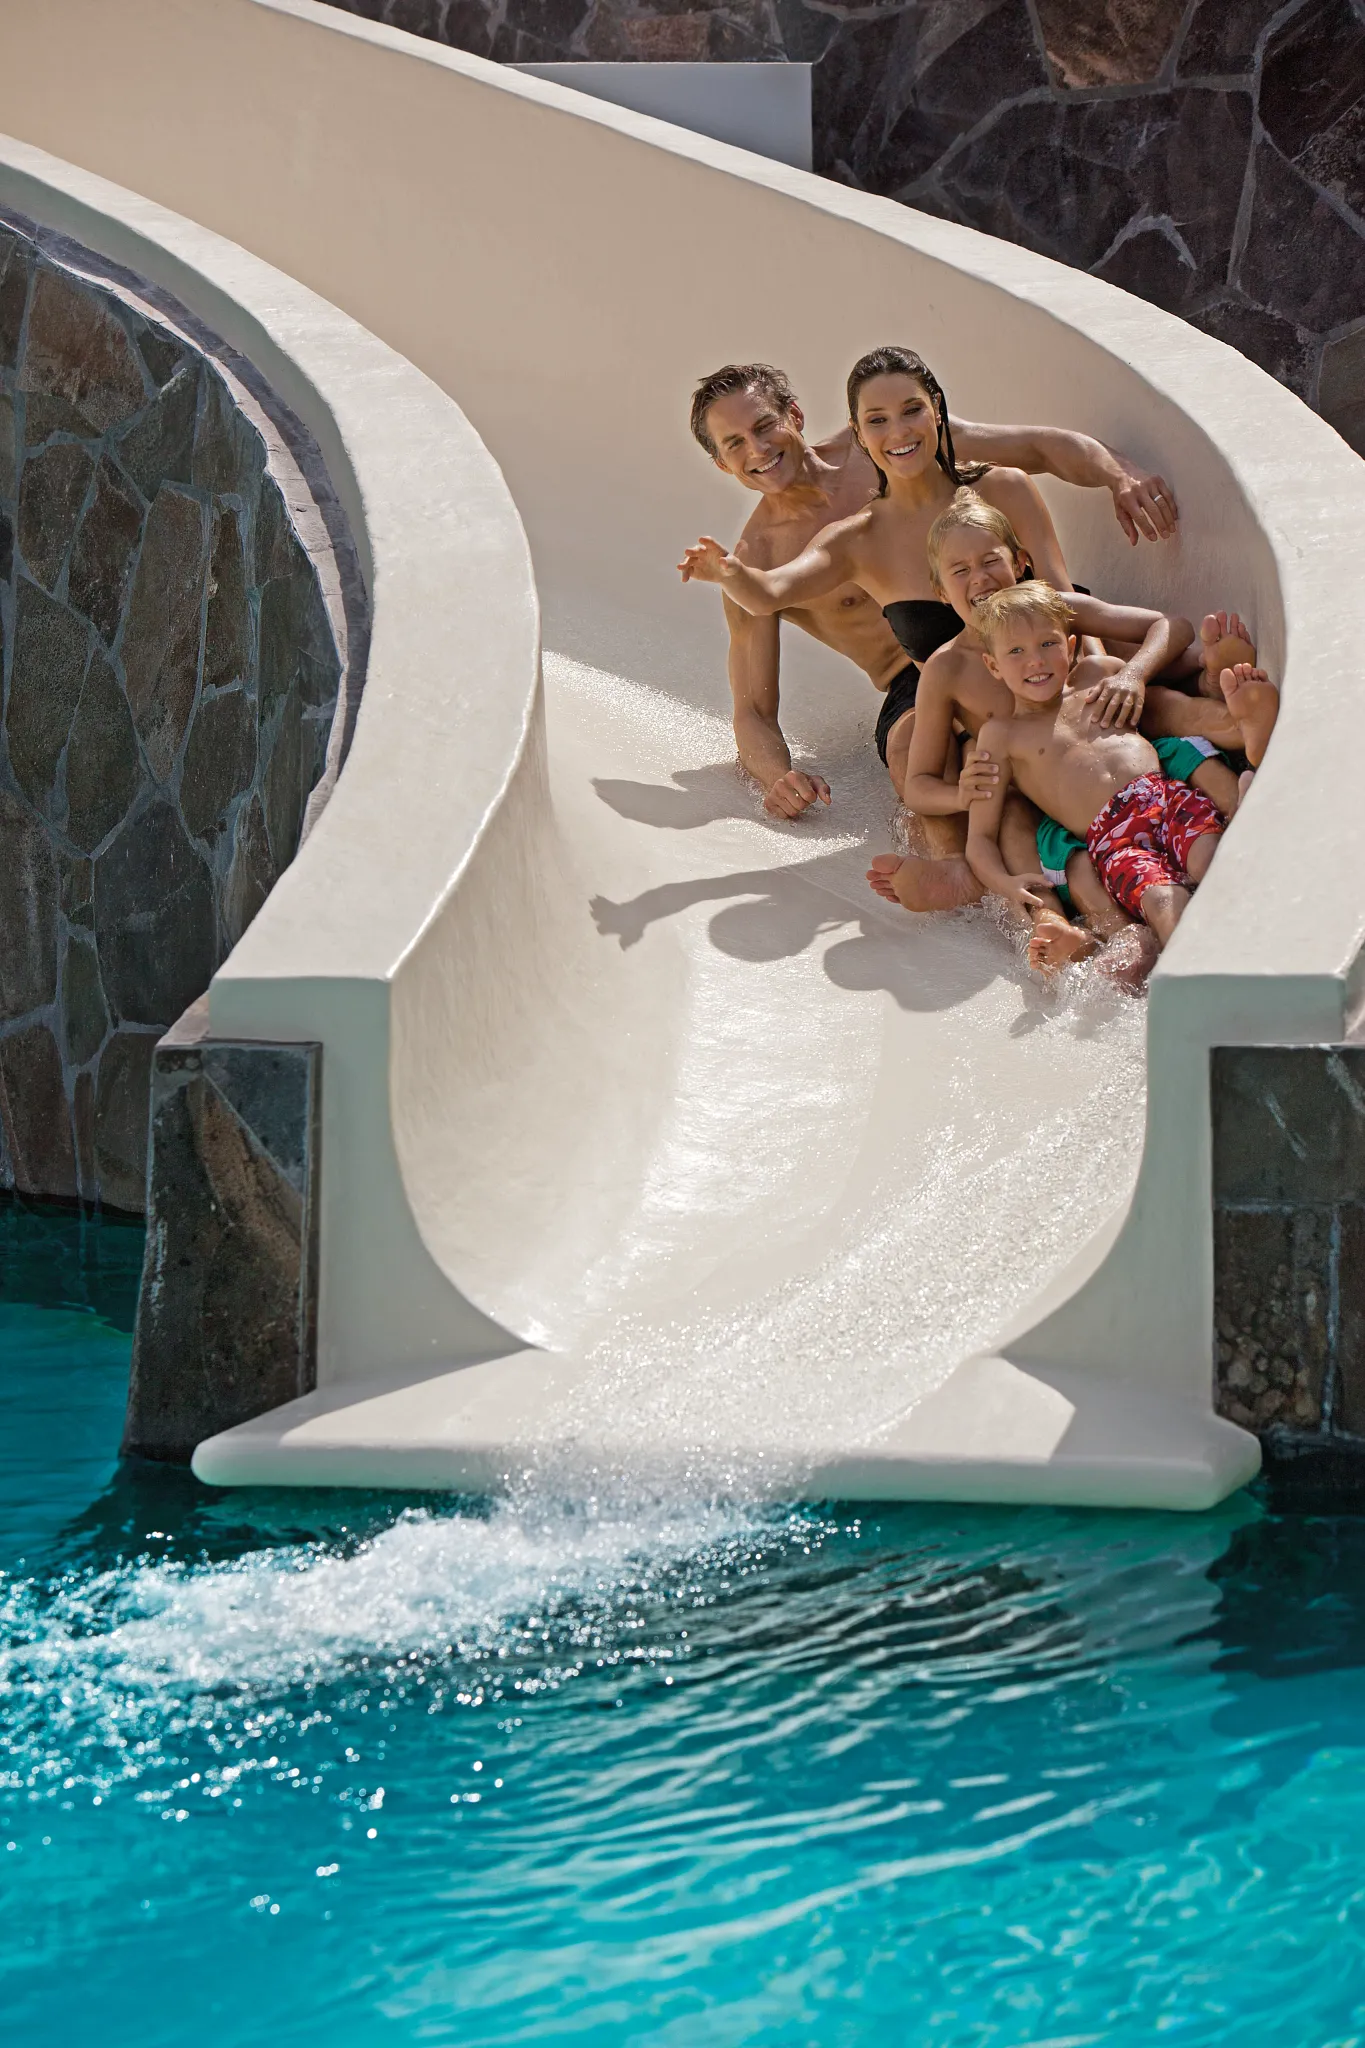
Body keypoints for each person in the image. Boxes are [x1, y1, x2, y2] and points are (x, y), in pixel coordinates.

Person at [684, 356, 1179, 823]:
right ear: (722, 465)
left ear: (794, 415)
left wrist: (1119, 475)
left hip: (1018, 610)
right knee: (909, 753)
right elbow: (751, 710)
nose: (758, 449)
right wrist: (778, 776)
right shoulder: (755, 562)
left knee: (1122, 648)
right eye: (735, 444)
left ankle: (1199, 764)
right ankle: (975, 876)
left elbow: (1038, 448)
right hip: (916, 671)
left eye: (765, 426)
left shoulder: (886, 438)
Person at [869, 490, 1276, 943]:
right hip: (1042, 791)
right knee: (1007, 816)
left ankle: (1240, 723)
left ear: (1020, 562)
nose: (979, 578)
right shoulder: (947, 667)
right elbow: (920, 785)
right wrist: (961, 796)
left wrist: (1135, 676)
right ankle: (1051, 922)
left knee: (1150, 702)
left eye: (990, 561)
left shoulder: (1055, 608)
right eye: (960, 571)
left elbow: (1170, 627)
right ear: (941, 592)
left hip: (1109, 739)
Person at [964, 583, 1271, 970]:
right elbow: (979, 839)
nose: (1035, 661)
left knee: (1210, 860)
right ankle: (1202, 972)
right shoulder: (1000, 736)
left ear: (1071, 645)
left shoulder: (1101, 674)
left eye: (1047, 644)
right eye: (1015, 651)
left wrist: (1135, 674)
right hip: (1114, 839)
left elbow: (1166, 636)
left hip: (1164, 796)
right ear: (993, 666)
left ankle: (1259, 932)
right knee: (1162, 902)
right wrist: (1006, 883)